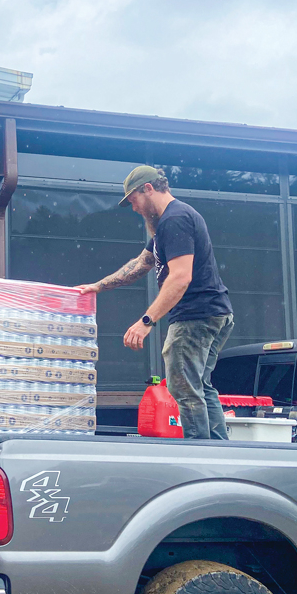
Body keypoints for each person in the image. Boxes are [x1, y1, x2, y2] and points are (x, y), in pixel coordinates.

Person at [75, 165, 233, 439]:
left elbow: (181, 277)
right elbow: (140, 264)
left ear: (148, 188)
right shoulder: (166, 226)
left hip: (196, 316)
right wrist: (99, 286)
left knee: (183, 386)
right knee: (200, 386)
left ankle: (201, 453)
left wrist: (146, 321)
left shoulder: (175, 219)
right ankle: (220, 451)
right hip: (214, 312)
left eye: (133, 200)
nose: (133, 208)